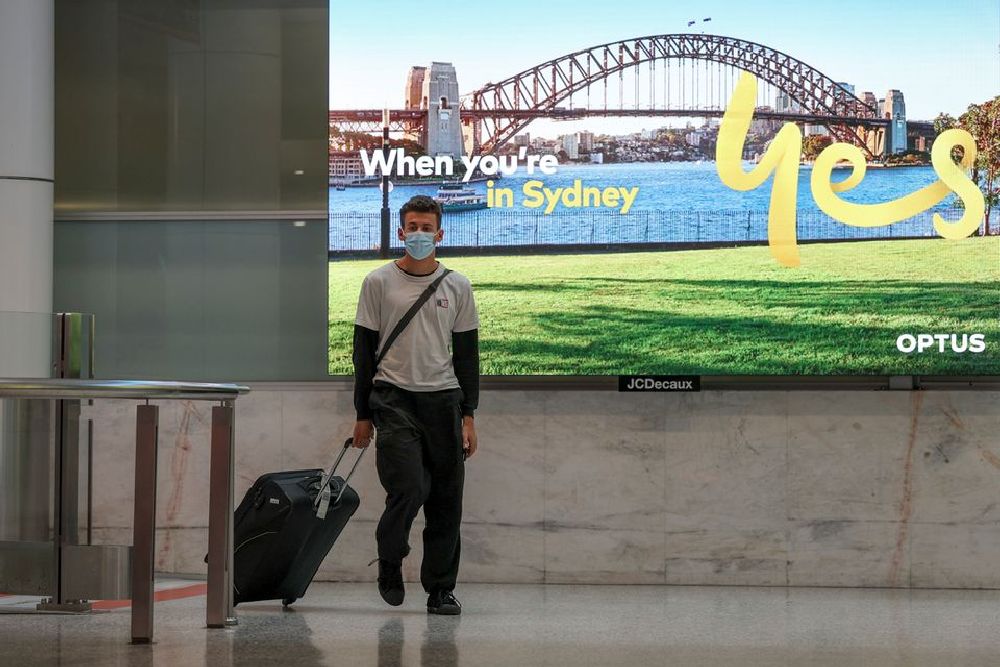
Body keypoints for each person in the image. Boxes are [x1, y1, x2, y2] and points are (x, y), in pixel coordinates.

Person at [351, 194, 480, 616]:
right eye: (413, 227)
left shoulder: (458, 285)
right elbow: (363, 354)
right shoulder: (377, 282)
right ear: (400, 231)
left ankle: (441, 589)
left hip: (443, 401)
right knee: (408, 487)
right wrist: (362, 415)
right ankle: (390, 560)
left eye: (427, 228)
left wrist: (469, 415)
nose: (419, 234)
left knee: (446, 501)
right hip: (393, 398)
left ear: (439, 234)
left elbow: (466, 356)